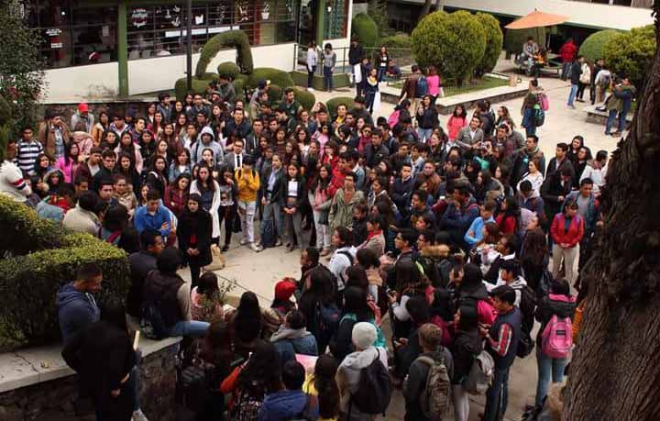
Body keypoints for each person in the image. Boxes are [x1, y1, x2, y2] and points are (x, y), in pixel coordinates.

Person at [62, 301, 140, 421]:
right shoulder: (120, 337)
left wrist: (83, 369)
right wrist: (115, 388)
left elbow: (67, 351)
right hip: (115, 389)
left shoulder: (89, 329)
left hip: (94, 386)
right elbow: (115, 365)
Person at [142, 247, 210, 337]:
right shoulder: (181, 287)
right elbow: (187, 317)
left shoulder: (151, 274)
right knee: (210, 327)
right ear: (178, 266)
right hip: (168, 327)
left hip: (149, 318)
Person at [480, 285, 522, 421]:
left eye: (497, 301)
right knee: (501, 388)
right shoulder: (514, 312)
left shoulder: (506, 325)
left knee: (493, 393)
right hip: (507, 360)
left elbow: (501, 349)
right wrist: (491, 328)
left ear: (506, 303)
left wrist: (487, 336)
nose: (494, 303)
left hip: (499, 363)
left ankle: (492, 417)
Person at [534, 278, 576, 407]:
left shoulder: (546, 301)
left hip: (545, 343)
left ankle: (539, 408)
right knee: (558, 379)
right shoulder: (572, 304)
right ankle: (553, 409)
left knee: (544, 378)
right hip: (564, 344)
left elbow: (538, 316)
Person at [335, 322, 389, 421]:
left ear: (354, 340)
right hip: (374, 403)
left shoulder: (348, 364)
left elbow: (340, 387)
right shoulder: (381, 352)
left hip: (353, 409)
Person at [403, 323, 454, 421]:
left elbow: (411, 395)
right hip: (436, 405)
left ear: (421, 341)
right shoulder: (447, 353)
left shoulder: (417, 365)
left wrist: (405, 382)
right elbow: (450, 376)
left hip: (419, 411)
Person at [56, 263, 103, 343]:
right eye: (97, 284)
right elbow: (96, 331)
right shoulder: (79, 307)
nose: (100, 287)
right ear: (84, 283)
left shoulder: (73, 287)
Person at [451, 306, 483, 421]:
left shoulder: (462, 341)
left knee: (458, 405)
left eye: (459, 315)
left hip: (459, 377)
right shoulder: (475, 332)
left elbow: (458, 363)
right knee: (463, 400)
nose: (455, 315)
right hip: (468, 375)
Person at [177, 193, 213, 288]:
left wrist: (199, 248)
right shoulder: (183, 215)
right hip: (188, 248)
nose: (192, 206)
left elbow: (207, 234)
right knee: (194, 273)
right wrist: (187, 248)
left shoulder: (205, 216)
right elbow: (180, 234)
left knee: (201, 272)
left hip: (201, 248)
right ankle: (195, 289)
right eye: (190, 203)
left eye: (194, 204)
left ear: (199, 204)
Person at [127, 230, 164, 319]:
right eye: (160, 244)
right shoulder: (154, 267)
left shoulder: (131, 257)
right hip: (144, 310)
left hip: (130, 306)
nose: (163, 246)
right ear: (150, 247)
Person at [550, 199, 584, 285]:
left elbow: (580, 234)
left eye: (576, 209)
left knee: (569, 267)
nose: (574, 211)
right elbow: (553, 230)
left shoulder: (579, 219)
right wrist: (559, 241)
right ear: (566, 208)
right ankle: (553, 283)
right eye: (572, 209)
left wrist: (571, 243)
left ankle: (567, 285)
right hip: (558, 245)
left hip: (571, 246)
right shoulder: (558, 217)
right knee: (555, 266)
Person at [236, 155, 262, 252]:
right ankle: (245, 237)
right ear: (243, 164)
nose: (247, 167)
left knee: (249, 220)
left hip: (252, 200)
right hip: (241, 200)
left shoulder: (255, 174)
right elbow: (237, 187)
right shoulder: (238, 173)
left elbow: (256, 187)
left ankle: (251, 241)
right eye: (246, 164)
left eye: (249, 165)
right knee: (243, 220)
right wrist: (244, 182)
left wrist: (249, 181)